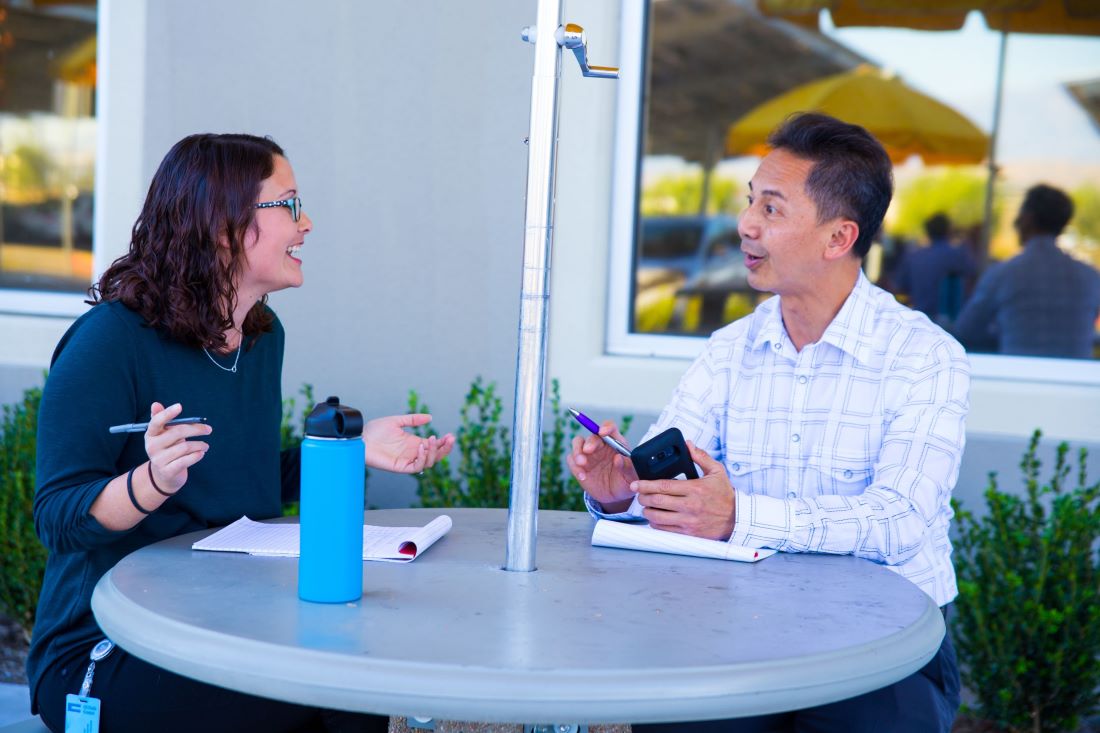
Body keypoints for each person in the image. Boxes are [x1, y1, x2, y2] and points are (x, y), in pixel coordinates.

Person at [27, 133, 455, 733]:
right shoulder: (110, 341)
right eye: (289, 205)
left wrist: (350, 452)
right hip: (109, 647)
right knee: (314, 690)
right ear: (224, 225)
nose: (307, 223)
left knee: (357, 682)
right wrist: (150, 482)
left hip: (229, 624)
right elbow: (57, 517)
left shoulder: (260, 336)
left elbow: (240, 475)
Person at [568, 113, 969, 733]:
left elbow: (900, 521)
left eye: (773, 209)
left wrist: (738, 517)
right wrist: (622, 493)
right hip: (733, 626)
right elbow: (679, 493)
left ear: (839, 238)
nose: (746, 224)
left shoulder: (925, 356)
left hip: (882, 641)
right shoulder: (731, 347)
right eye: (750, 200)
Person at [953, 184, 1100, 359]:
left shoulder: (1003, 274)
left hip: (1017, 379)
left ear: (1027, 219)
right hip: (1076, 382)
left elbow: (965, 331)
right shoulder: (1090, 277)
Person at [893, 212, 976, 326]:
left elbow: (900, 287)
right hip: (946, 321)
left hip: (918, 318)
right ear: (948, 230)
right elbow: (973, 276)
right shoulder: (955, 255)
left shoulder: (914, 256)